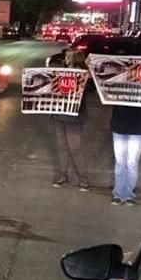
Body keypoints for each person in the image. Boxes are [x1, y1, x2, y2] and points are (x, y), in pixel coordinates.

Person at [52, 50, 90, 191]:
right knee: (62, 147)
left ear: (75, 59)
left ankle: (83, 178)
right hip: (59, 114)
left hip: (74, 117)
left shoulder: (83, 76)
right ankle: (63, 175)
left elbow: (88, 90)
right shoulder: (62, 71)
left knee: (75, 149)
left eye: (68, 57)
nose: (66, 59)